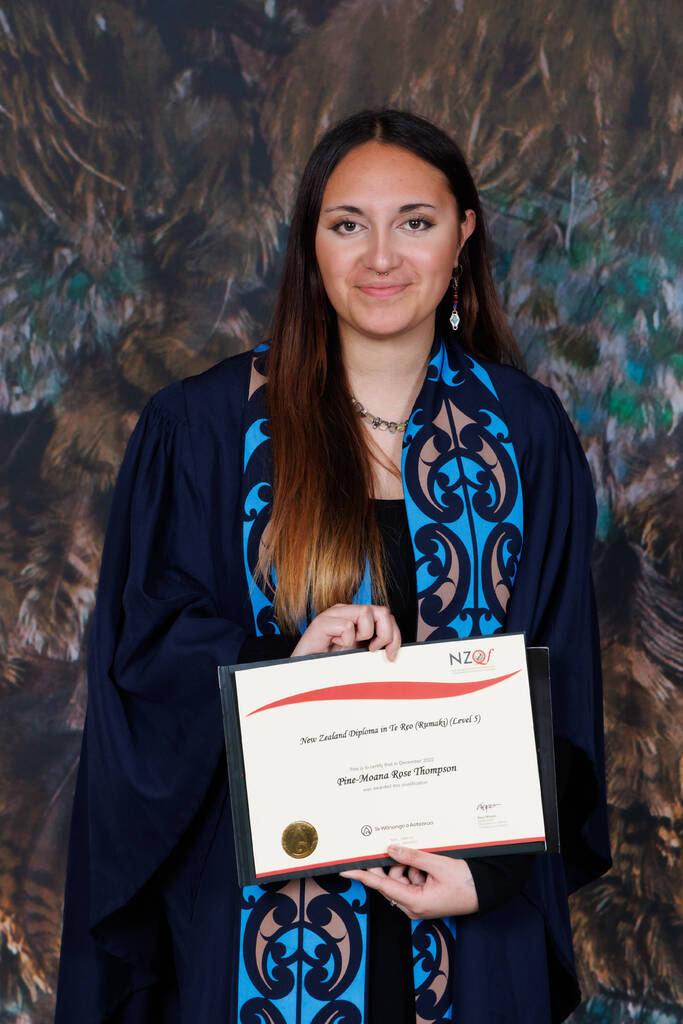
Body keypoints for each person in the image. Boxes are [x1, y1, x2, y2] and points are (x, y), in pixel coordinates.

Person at [56, 109, 611, 1023]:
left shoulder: (526, 434)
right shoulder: (203, 432)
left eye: (416, 223)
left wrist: (488, 876)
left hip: (469, 927)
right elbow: (138, 661)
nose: (380, 257)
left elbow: (559, 683)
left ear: (464, 233)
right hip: (262, 928)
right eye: (347, 224)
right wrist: (283, 658)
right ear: (309, 241)